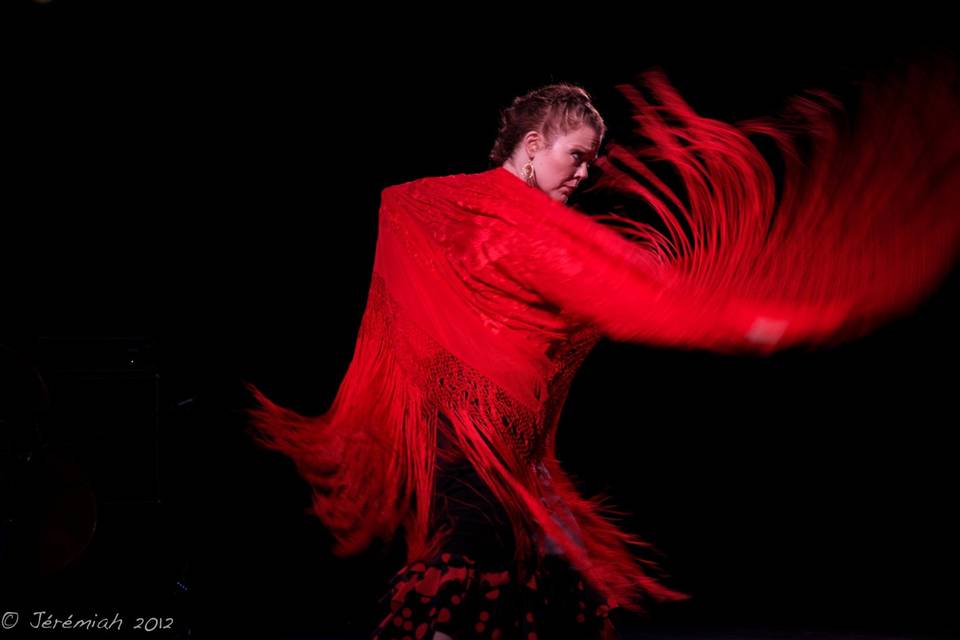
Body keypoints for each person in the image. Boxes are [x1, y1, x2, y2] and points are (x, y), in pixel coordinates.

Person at [248, 66, 960, 639]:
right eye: (576, 156)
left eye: (594, 161)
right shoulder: (446, 210)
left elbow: (620, 286)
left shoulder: (531, 233)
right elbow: (625, 297)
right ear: (531, 145)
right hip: (461, 435)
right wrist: (753, 324)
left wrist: (736, 315)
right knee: (474, 562)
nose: (586, 174)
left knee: (549, 569)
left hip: (511, 444)